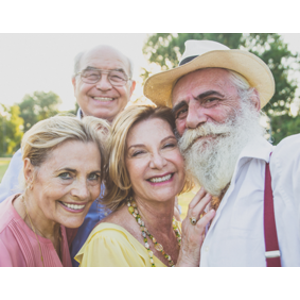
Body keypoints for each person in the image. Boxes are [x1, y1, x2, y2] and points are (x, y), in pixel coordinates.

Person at [144, 39, 300, 267]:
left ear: (253, 103)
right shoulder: (202, 207)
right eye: (181, 110)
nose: (193, 120)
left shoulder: (287, 165)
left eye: (209, 100)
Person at [0, 45, 136, 265]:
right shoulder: (39, 149)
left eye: (116, 76)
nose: (103, 85)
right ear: (74, 84)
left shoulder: (145, 153)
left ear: (131, 87)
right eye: (92, 75)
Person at [75, 105, 215, 267]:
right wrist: (187, 258)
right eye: (139, 152)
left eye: (168, 145)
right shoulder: (108, 243)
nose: (158, 162)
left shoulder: (179, 229)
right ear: (122, 167)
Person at [0, 115, 109, 266]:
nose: (83, 192)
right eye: (65, 175)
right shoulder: (4, 245)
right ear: (29, 172)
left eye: (93, 176)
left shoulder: (62, 221)